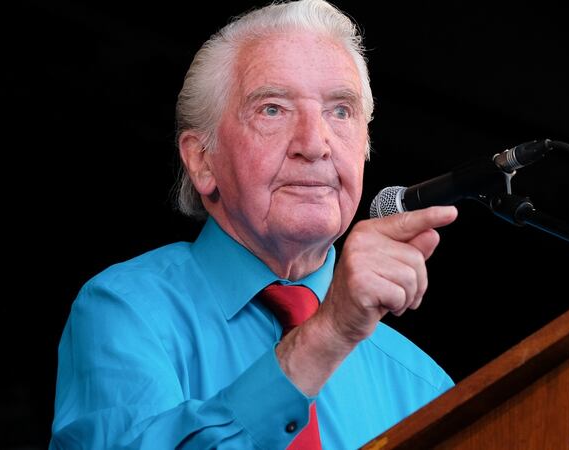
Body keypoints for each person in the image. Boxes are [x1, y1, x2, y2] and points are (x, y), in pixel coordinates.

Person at [50, 0, 458, 448]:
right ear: (202, 160)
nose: (314, 144)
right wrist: (328, 333)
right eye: (272, 109)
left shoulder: (422, 387)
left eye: (340, 111)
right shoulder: (126, 312)